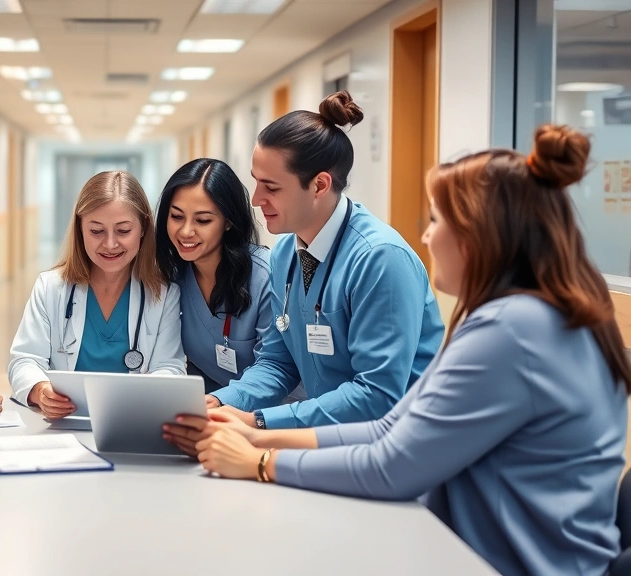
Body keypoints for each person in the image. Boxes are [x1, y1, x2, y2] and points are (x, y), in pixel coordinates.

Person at [171, 125, 631, 576]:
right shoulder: (521, 317)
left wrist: (261, 460)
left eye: (435, 221)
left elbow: (393, 460)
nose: (426, 238)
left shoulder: (510, 330)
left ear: (475, 236)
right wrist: (255, 433)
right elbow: (394, 428)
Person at [173, 91, 443, 450]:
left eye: (271, 187)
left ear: (319, 185)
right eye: (256, 181)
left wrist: (259, 422)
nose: (255, 199)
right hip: (328, 439)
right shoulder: (286, 251)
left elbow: (377, 395)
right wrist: (224, 402)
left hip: (393, 446)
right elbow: (278, 361)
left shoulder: (380, 260)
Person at [9, 170, 185, 419]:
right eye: (96, 231)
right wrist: (40, 390)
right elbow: (25, 360)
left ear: (144, 227)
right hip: (63, 425)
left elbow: (171, 367)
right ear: (80, 228)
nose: (110, 244)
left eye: (123, 231)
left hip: (132, 421)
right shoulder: (51, 288)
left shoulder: (164, 294)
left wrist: (146, 395)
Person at [155, 158, 273, 394]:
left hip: (275, 413)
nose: (186, 231)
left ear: (228, 222)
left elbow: (274, 367)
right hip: (212, 409)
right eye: (177, 216)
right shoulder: (173, 276)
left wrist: (219, 403)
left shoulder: (265, 277)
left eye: (203, 220)